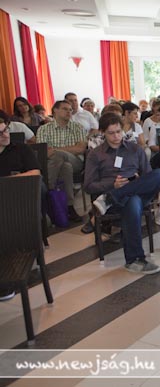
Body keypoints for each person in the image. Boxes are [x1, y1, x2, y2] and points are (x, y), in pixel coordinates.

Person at [85, 113, 160, 275]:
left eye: (118, 131)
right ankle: (135, 259)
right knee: (132, 202)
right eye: (111, 133)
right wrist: (112, 185)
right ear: (103, 133)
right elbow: (89, 186)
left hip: (131, 194)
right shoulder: (96, 154)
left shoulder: (135, 149)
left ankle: (110, 198)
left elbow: (148, 176)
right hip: (115, 201)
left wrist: (137, 180)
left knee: (159, 174)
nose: (116, 136)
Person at [0, 116, 42, 301]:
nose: (5, 135)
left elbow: (35, 173)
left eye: (6, 130)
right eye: (0, 133)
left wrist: (5, 183)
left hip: (19, 202)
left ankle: (5, 280)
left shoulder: (20, 148)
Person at [36, 100, 87, 222]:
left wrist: (56, 150)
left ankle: (47, 192)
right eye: (65, 109)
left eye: (70, 110)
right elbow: (44, 152)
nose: (69, 112)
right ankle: (69, 207)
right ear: (55, 110)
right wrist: (68, 149)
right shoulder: (44, 129)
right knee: (65, 167)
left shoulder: (78, 127)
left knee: (59, 155)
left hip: (76, 162)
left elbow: (80, 149)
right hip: (55, 164)